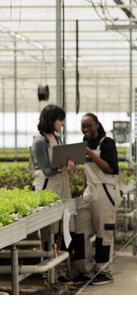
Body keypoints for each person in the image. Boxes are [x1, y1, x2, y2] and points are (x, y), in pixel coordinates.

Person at [73, 113, 122, 285]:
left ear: (97, 125)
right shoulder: (84, 143)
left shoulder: (107, 143)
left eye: (88, 125)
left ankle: (104, 272)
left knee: (103, 233)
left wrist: (90, 153)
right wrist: (83, 189)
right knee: (80, 232)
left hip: (105, 190)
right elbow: (87, 169)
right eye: (83, 126)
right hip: (89, 191)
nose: (85, 129)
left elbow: (110, 169)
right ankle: (84, 270)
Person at [28, 104, 75, 280]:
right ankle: (49, 273)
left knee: (64, 227)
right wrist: (63, 168)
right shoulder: (39, 141)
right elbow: (46, 170)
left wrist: (68, 164)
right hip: (48, 187)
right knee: (50, 230)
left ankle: (61, 270)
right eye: (59, 119)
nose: (62, 123)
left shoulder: (57, 138)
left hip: (62, 186)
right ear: (51, 120)